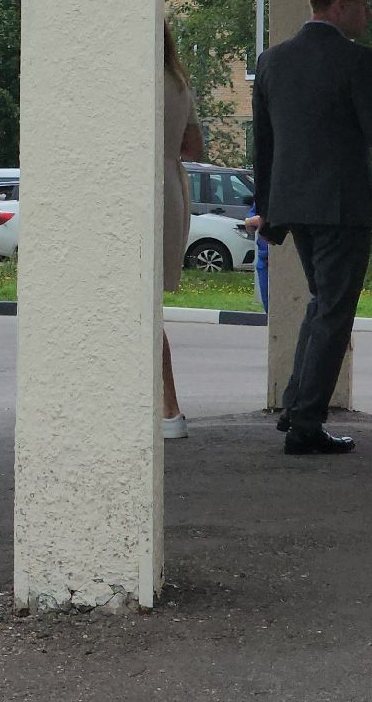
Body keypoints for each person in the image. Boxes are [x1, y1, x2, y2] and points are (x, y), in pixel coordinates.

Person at [252, 0, 372, 456]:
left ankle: (294, 406)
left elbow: (262, 144)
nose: (369, 12)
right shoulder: (354, 60)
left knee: (320, 302)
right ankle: (307, 423)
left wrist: (267, 208)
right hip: (341, 206)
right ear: (340, 4)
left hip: (293, 206)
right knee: (334, 309)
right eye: (364, 3)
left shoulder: (272, 61)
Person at [160, 23, 204, 440]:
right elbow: (195, 148)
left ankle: (168, 408)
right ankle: (168, 408)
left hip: (140, 192)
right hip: (171, 189)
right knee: (146, 307)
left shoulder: (135, 78)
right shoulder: (178, 81)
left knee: (130, 308)